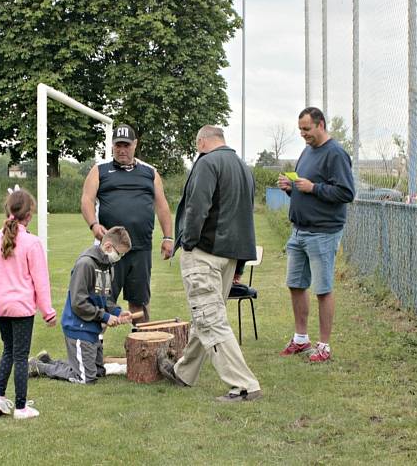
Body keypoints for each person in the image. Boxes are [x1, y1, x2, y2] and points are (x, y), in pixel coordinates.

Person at [158, 125, 262, 403]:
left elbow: (196, 207)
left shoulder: (207, 162)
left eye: (196, 146)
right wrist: (239, 265)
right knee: (204, 318)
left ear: (202, 142)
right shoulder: (242, 167)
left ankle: (244, 385)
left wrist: (188, 242)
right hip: (231, 255)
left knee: (209, 319)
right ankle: (184, 372)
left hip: (206, 251)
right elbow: (244, 217)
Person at [277, 107, 355, 363]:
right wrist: (292, 188)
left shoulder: (336, 153)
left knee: (323, 289)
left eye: (307, 129)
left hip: (323, 232)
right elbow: (306, 188)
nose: (303, 134)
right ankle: (301, 339)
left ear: (320, 124)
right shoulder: (307, 151)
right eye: (300, 129)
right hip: (298, 230)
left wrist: (313, 188)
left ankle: (324, 346)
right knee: (296, 284)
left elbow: (346, 193)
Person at [80, 124, 173, 324]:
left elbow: (162, 206)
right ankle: (96, 350)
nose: (122, 150)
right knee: (103, 301)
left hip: (141, 249)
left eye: (126, 145)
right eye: (118, 145)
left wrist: (168, 237)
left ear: (135, 145)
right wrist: (94, 225)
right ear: (112, 146)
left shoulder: (150, 172)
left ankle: (142, 349)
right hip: (109, 251)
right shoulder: (100, 170)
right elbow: (86, 200)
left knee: (139, 301)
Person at [0, 188, 57, 420]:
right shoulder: (31, 243)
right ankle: (20, 406)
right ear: (29, 214)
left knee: (8, 350)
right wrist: (47, 311)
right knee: (20, 355)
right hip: (21, 308)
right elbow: (41, 281)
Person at [28, 227, 132, 384]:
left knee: (98, 372)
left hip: (93, 329)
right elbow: (78, 302)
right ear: (108, 246)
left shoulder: (108, 266)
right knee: (85, 378)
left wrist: (117, 312)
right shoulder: (86, 264)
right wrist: (104, 316)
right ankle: (38, 367)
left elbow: (106, 299)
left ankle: (47, 361)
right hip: (78, 328)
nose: (120, 257)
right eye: (120, 253)